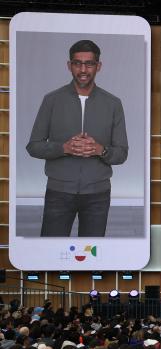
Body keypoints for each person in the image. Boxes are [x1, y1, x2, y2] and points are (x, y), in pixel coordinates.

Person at [26, 39, 129, 237]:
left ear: (98, 66)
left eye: (89, 63)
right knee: (51, 254)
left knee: (92, 258)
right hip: (58, 192)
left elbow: (122, 153)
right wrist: (63, 148)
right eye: (77, 63)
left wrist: (100, 150)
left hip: (98, 195)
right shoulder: (52, 100)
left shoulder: (113, 103)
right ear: (69, 66)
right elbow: (33, 146)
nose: (83, 69)